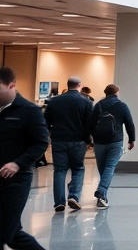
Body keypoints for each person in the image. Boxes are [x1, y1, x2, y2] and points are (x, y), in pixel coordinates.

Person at [0, 67, 49, 250]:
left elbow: (41, 143)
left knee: (7, 233)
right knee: (11, 233)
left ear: (12, 85)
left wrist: (17, 163)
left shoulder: (29, 111)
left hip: (16, 180)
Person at [44, 76, 93, 211]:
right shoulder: (86, 102)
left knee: (59, 170)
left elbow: (46, 121)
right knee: (78, 168)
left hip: (59, 139)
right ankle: (74, 196)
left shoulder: (54, 101)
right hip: (78, 140)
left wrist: (50, 135)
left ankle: (59, 202)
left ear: (68, 84)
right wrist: (88, 139)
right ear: (79, 85)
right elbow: (90, 123)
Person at [87, 84, 136, 208]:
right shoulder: (122, 105)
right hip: (115, 140)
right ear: (116, 92)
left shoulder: (98, 105)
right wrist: (132, 140)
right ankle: (102, 192)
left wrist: (89, 139)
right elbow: (130, 124)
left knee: (103, 168)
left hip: (99, 142)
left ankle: (102, 196)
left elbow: (90, 123)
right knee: (110, 167)